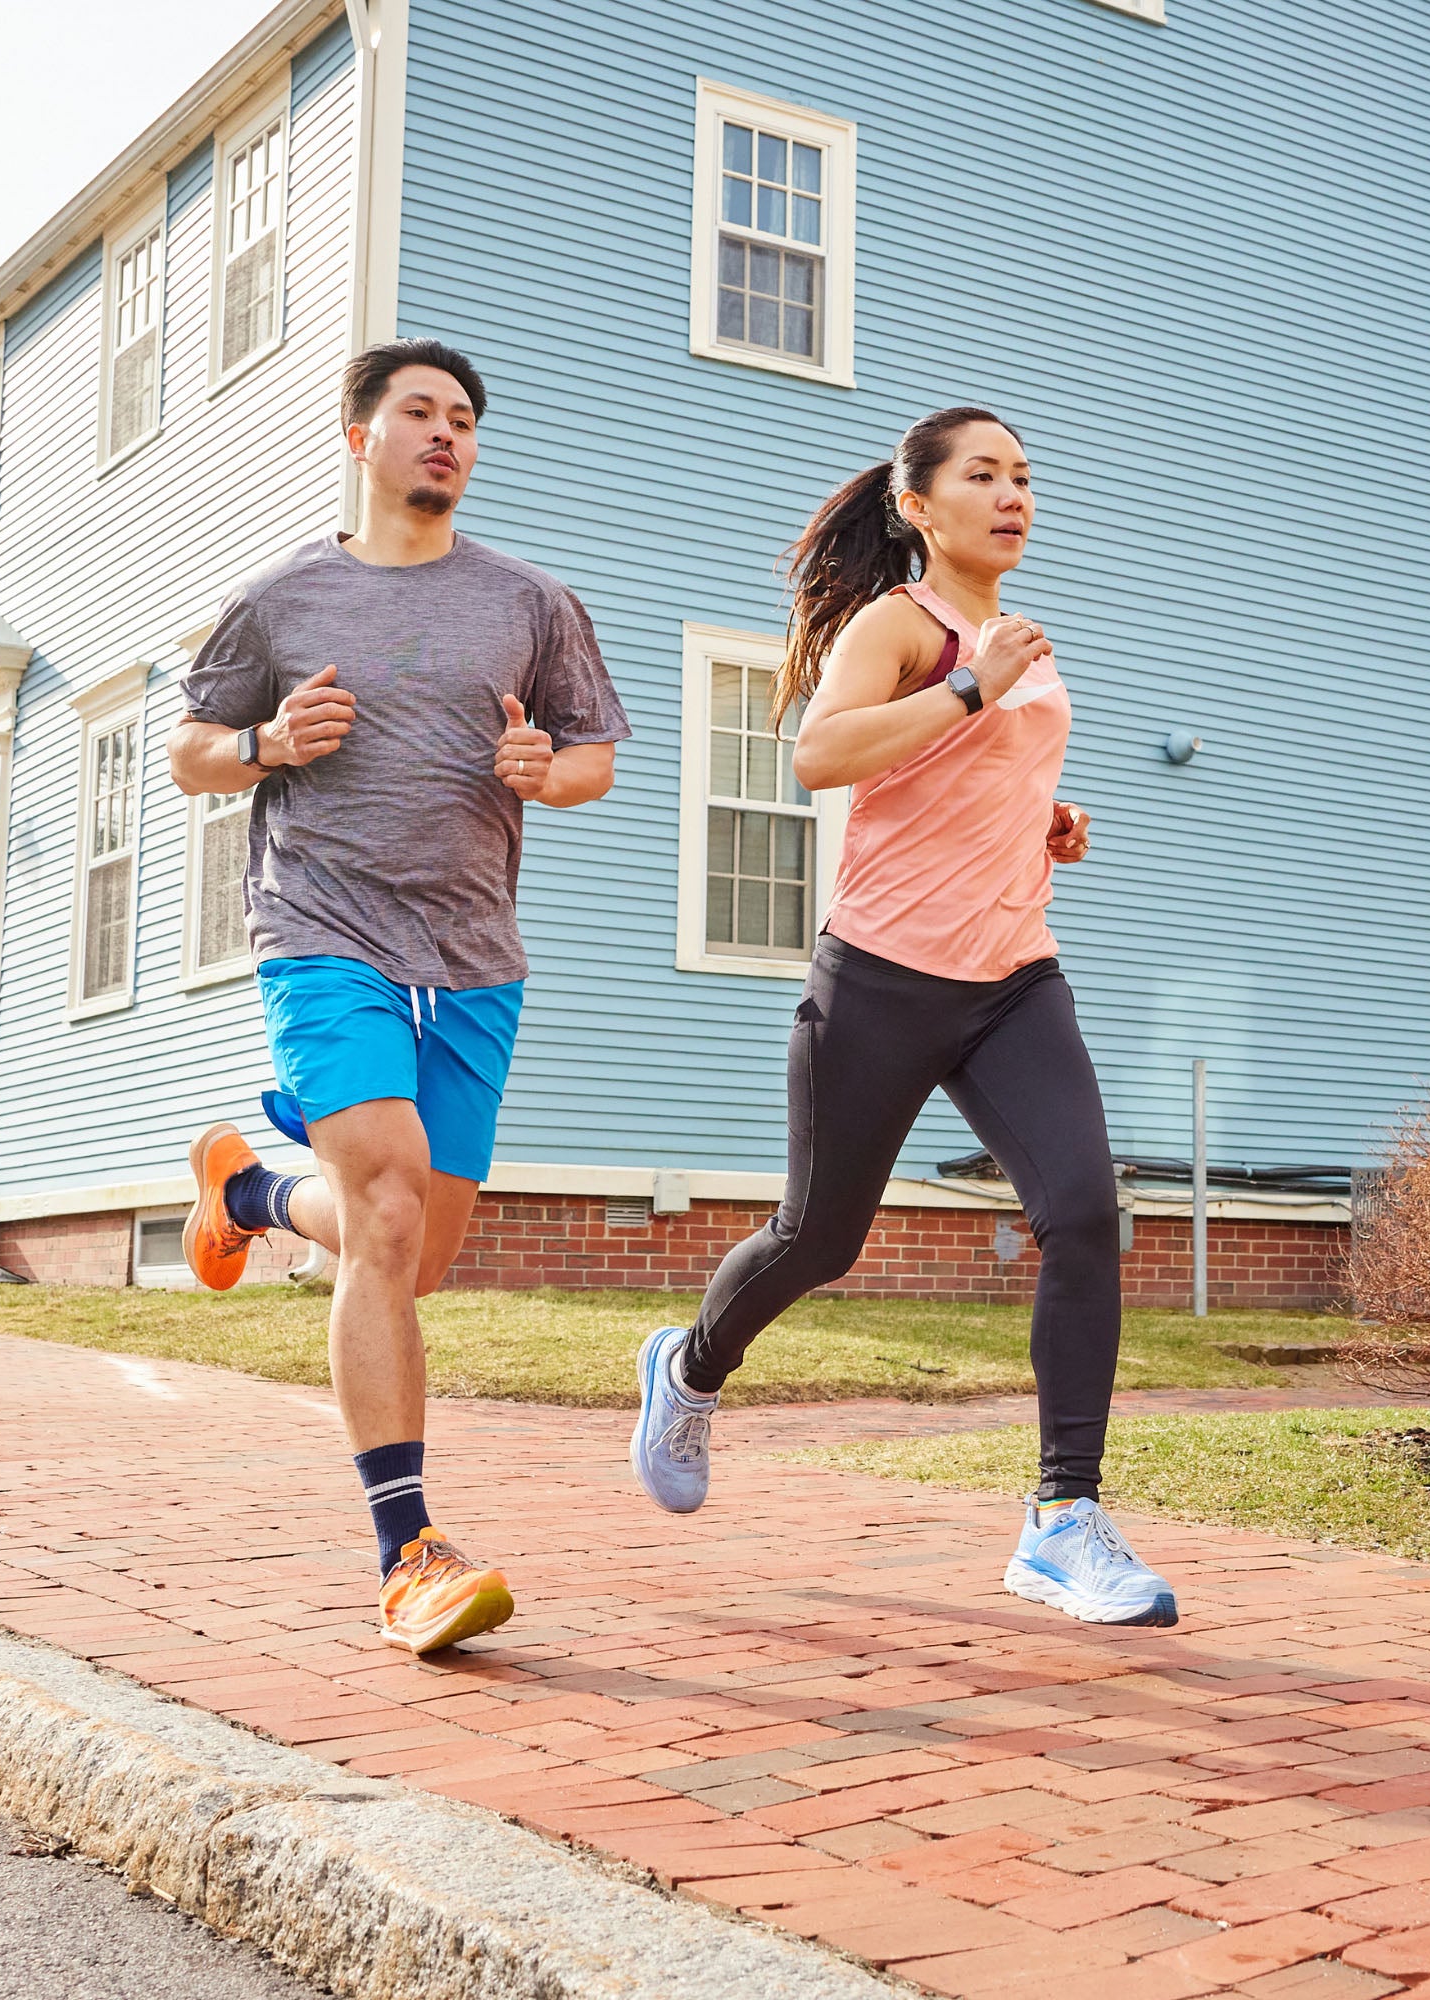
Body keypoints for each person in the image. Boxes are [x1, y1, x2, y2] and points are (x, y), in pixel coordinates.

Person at [629, 406, 1175, 1627]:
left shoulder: (1018, 644)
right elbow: (821, 756)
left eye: (1025, 475)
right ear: (918, 504)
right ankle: (689, 1364)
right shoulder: (904, 626)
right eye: (982, 475)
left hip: (1013, 977)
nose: (1012, 493)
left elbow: (965, 770)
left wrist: (1044, 819)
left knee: (1084, 1211)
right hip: (878, 976)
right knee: (818, 1239)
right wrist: (976, 686)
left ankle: (1060, 1518)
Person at [168, 338, 629, 1655]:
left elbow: (595, 756)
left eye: (466, 419)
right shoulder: (281, 603)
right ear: (360, 435)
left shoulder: (533, 602)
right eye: (421, 412)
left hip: (475, 957)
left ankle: (251, 1194)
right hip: (323, 935)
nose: (448, 434)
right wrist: (262, 744)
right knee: (381, 1206)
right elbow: (192, 747)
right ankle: (408, 1551)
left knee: (414, 1253)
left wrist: (550, 769)